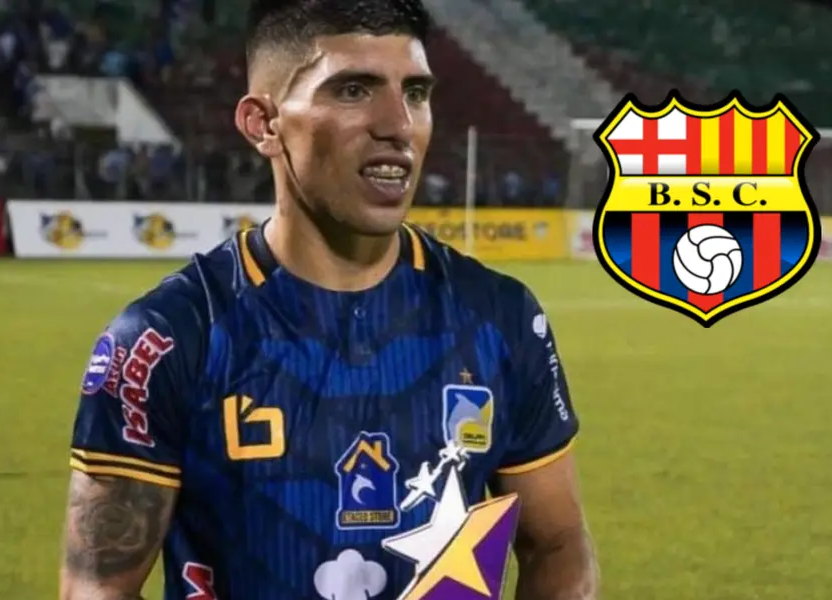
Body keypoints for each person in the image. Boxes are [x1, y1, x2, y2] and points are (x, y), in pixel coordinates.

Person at [59, 1, 600, 599]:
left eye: (415, 92)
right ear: (263, 124)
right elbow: (98, 587)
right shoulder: (168, 337)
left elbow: (557, 543)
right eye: (353, 90)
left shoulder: (500, 318)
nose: (398, 125)